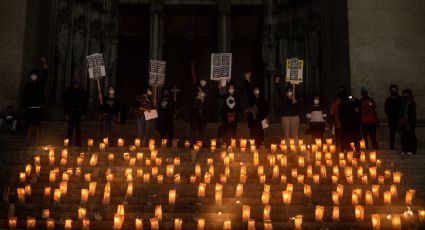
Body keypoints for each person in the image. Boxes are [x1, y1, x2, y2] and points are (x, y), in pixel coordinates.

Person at [23, 57, 48, 145]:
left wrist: (44, 63)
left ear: (37, 76)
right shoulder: (28, 85)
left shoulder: (40, 83)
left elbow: (46, 74)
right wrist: (25, 107)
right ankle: (27, 141)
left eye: (35, 75)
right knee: (30, 125)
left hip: (38, 107)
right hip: (30, 108)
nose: (33, 76)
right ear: (30, 76)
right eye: (32, 75)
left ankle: (37, 142)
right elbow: (25, 96)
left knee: (37, 126)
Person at [245, 72, 268, 147]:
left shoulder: (263, 100)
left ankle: (261, 144)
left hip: (261, 119)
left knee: (261, 132)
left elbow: (266, 111)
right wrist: (248, 80)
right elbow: (248, 91)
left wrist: (265, 122)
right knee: (253, 133)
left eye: (257, 90)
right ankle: (253, 145)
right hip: (252, 119)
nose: (256, 91)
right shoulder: (251, 98)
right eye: (255, 90)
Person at [63, 77, 88, 146]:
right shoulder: (68, 90)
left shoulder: (82, 91)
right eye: (75, 83)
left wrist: (84, 114)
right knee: (70, 130)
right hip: (71, 113)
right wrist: (66, 113)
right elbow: (65, 103)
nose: (76, 84)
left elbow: (85, 104)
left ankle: (78, 145)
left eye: (77, 83)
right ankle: (68, 145)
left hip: (79, 113)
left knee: (78, 130)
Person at [275, 77, 300, 145]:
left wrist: (296, 102)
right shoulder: (284, 99)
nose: (289, 92)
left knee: (295, 134)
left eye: (291, 91)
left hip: (294, 117)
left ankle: (295, 148)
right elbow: (279, 92)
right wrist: (276, 83)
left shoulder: (295, 98)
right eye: (288, 91)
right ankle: (287, 148)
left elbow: (299, 108)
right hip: (285, 117)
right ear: (286, 92)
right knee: (286, 134)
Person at [190, 61, 208, 142]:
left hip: (203, 111)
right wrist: (192, 68)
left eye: (204, 80)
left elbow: (208, 101)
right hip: (196, 109)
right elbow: (193, 78)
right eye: (201, 80)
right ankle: (195, 141)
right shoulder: (196, 88)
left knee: (203, 126)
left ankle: (202, 141)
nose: (203, 82)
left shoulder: (207, 91)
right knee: (195, 126)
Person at [398, 89, 417, 155]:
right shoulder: (403, 103)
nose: (403, 96)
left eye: (404, 94)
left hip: (409, 122)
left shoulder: (411, 103)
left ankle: (412, 149)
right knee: (404, 136)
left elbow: (412, 114)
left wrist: (409, 123)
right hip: (403, 122)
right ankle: (405, 149)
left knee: (410, 136)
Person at [385, 84, 402, 149]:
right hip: (391, 119)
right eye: (392, 90)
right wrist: (390, 115)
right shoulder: (388, 100)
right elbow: (386, 109)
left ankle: (404, 147)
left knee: (401, 134)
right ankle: (391, 147)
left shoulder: (400, 99)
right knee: (392, 134)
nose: (393, 91)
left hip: (399, 119)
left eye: (394, 90)